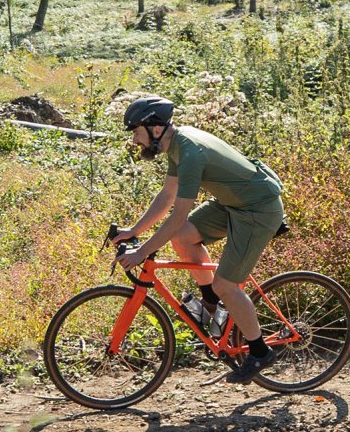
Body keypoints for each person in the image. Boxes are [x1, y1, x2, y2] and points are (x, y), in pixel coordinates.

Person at [105, 94, 289, 384]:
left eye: (137, 133)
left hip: (257, 209)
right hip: (234, 203)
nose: (135, 140)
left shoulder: (190, 153)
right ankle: (213, 307)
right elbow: (167, 196)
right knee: (183, 236)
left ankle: (260, 351)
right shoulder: (176, 144)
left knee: (226, 284)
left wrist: (142, 253)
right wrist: (134, 231)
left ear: (155, 129)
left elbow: (177, 214)